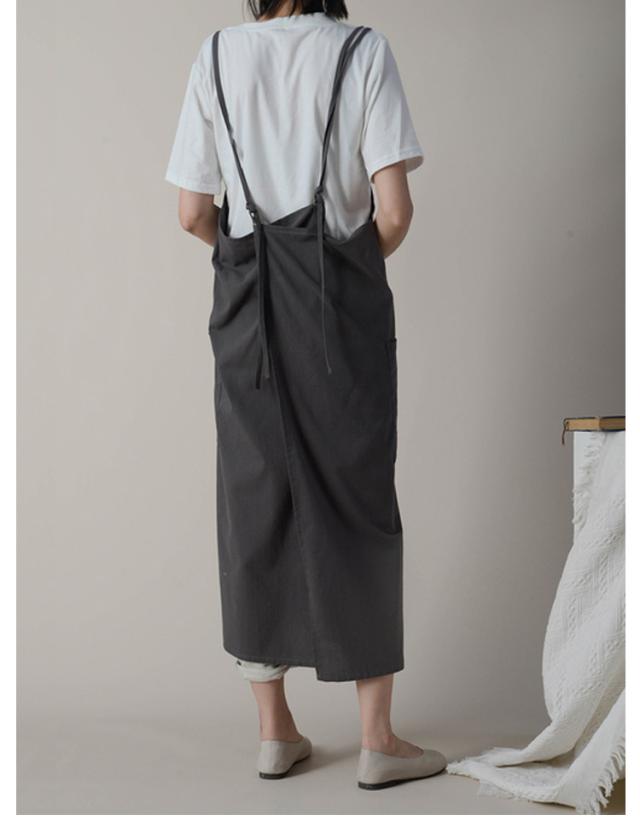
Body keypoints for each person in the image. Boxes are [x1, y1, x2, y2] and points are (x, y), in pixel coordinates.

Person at [166, 0, 446, 789]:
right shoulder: (362, 50)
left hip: (247, 311)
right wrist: (339, 276)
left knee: (254, 499)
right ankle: (377, 741)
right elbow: (394, 213)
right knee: (357, 498)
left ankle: (275, 733)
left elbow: (191, 212)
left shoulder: (216, 55)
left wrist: (253, 257)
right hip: (338, 315)